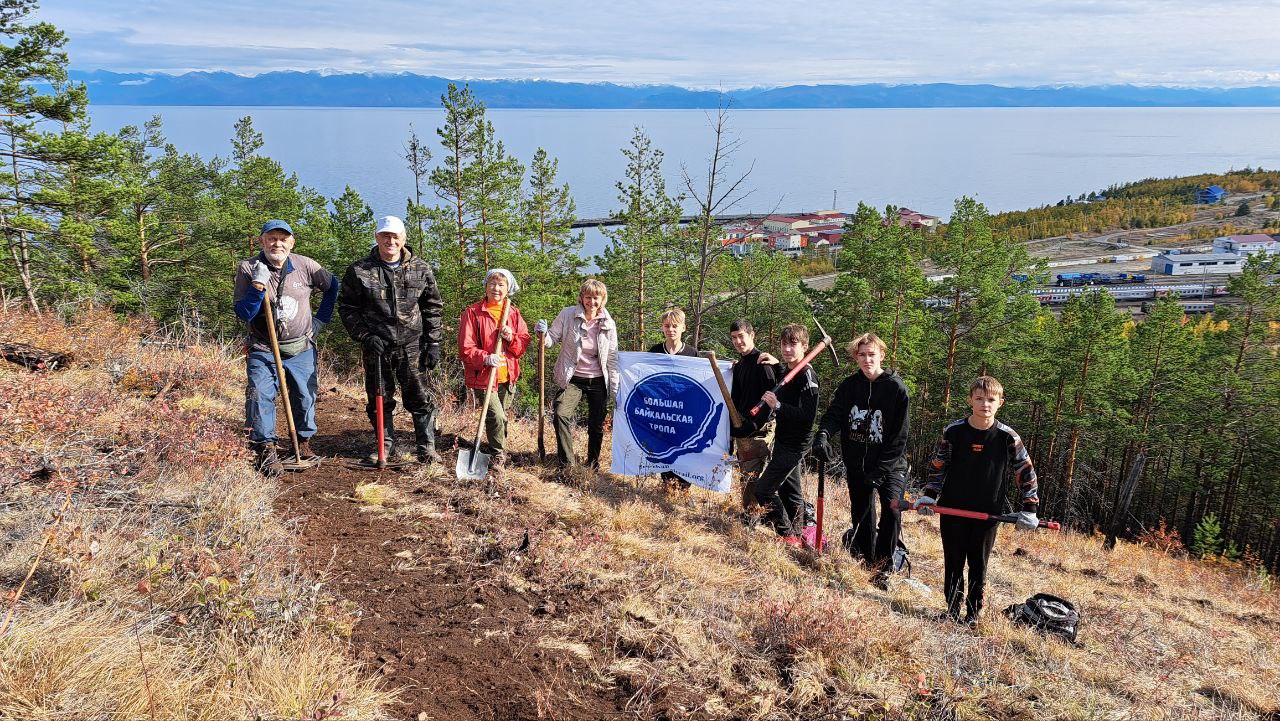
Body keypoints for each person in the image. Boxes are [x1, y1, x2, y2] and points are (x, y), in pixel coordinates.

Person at [916, 375, 1039, 625]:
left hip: (987, 512)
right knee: (953, 561)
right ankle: (951, 611)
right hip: (953, 508)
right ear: (970, 400)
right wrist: (929, 495)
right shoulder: (954, 432)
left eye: (991, 400)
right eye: (980, 399)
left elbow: (1025, 471)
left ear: (1000, 403)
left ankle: (973, 615)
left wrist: (1030, 508)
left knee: (978, 564)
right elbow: (939, 465)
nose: (985, 404)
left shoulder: (1008, 437)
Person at [234, 219, 339, 477]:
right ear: (262, 241)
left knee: (304, 395)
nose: (277, 243)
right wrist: (258, 287)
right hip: (263, 346)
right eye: (271, 238)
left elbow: (333, 287)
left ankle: (302, 442)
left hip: (300, 346)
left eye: (283, 239)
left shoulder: (306, 266)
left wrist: (320, 319)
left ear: (292, 242)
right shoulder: (248, 269)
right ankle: (265, 447)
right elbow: (243, 312)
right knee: (259, 394)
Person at [338, 215, 444, 464]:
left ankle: (426, 448)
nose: (390, 241)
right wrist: (364, 336)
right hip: (377, 345)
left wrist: (434, 343)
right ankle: (384, 447)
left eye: (395, 236)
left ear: (403, 239)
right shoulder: (360, 270)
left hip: (412, 344)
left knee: (419, 397)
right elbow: (347, 308)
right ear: (377, 238)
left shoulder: (421, 269)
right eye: (385, 236)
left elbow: (432, 308)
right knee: (379, 397)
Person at [814, 332, 910, 588]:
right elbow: (834, 414)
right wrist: (823, 435)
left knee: (892, 511)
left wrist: (881, 470)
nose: (867, 360)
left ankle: (885, 566)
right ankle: (868, 564)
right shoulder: (849, 386)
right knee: (863, 513)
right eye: (862, 355)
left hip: (890, 466)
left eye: (872, 354)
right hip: (858, 462)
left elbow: (899, 437)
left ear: (882, 356)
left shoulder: (896, 389)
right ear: (856, 357)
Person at [535, 279, 619, 471]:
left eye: (596, 298)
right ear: (581, 298)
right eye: (588, 297)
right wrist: (542, 334)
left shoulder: (609, 323)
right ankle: (568, 464)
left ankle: (593, 463)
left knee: (596, 424)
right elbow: (551, 339)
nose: (592, 302)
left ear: (603, 299)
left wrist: (614, 390)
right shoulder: (567, 314)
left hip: (599, 380)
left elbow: (612, 358)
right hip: (573, 378)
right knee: (561, 414)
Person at [752, 324, 819, 546]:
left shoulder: (808, 375)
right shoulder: (790, 370)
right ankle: (799, 534)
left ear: (805, 346)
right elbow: (785, 377)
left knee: (763, 490)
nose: (788, 349)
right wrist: (777, 363)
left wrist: (778, 405)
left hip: (796, 444)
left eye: (793, 344)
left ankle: (787, 534)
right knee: (791, 490)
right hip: (783, 439)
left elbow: (808, 416)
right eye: (784, 344)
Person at [458, 268, 531, 474]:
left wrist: (511, 337)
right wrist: (485, 358)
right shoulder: (473, 313)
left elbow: (522, 345)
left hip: (507, 376)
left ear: (508, 289)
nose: (496, 289)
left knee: (499, 419)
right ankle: (499, 456)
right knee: (497, 417)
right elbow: (465, 349)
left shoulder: (513, 314)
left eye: (501, 285)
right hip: (483, 376)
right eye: (492, 284)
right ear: (486, 286)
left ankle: (495, 450)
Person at [727, 320, 779, 508]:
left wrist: (756, 425)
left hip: (759, 429)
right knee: (746, 475)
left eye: (741, 336)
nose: (738, 341)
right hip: (744, 427)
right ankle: (750, 513)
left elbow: (771, 399)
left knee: (753, 477)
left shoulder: (762, 363)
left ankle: (753, 516)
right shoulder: (740, 364)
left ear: (752, 335)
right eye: (734, 338)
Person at [647, 308, 698, 491]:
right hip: (662, 411)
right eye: (667, 326)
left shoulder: (693, 353)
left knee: (684, 448)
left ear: (683, 328)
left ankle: (684, 488)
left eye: (675, 326)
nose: (671, 330)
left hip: (684, 412)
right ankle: (668, 485)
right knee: (664, 447)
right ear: (662, 328)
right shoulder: (654, 351)